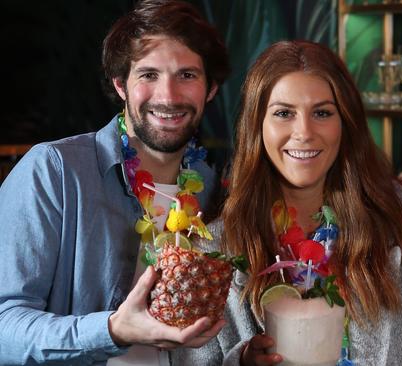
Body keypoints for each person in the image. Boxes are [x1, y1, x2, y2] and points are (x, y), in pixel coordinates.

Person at [173, 40, 402, 365]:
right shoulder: (215, 246)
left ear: (346, 122)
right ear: (257, 126)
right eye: (284, 113)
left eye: (322, 113)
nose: (304, 132)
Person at [0, 0, 230, 365]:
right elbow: (4, 328)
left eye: (187, 75)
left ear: (211, 88)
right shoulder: (55, 172)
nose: (168, 96)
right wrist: (111, 330)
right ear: (121, 84)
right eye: (149, 75)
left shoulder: (209, 185)